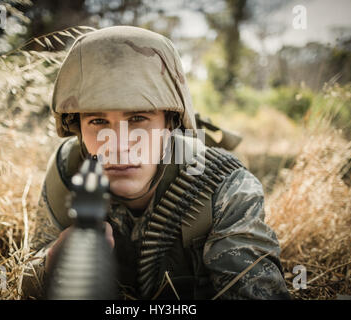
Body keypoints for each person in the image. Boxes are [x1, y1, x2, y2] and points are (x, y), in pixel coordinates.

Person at [21, 25, 290, 300]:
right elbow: (25, 278)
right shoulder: (68, 173)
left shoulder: (223, 187)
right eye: (98, 121)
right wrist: (51, 264)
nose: (119, 144)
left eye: (138, 119)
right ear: (77, 128)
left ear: (170, 124)